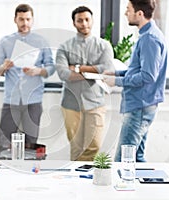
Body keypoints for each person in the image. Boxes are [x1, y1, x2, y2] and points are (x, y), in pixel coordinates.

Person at [103, 0, 167, 162]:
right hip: (142, 104)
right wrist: (115, 73)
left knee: (122, 161)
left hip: (140, 106)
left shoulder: (149, 39)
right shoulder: (147, 35)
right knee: (136, 159)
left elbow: (147, 76)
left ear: (139, 14)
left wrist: (116, 81)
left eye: (128, 10)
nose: (125, 13)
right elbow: (138, 70)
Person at [0, 4, 55, 157]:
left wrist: (38, 71)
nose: (25, 23)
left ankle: (29, 175)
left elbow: (51, 67)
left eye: (28, 19)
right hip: (11, 99)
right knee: (5, 142)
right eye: (21, 19)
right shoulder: (5, 41)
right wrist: (4, 67)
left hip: (33, 99)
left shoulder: (41, 41)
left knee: (32, 143)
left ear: (32, 20)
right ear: (15, 20)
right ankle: (3, 172)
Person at [55, 6, 114, 161]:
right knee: (76, 147)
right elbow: (63, 73)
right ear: (74, 23)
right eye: (79, 20)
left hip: (95, 103)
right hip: (70, 104)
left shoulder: (104, 46)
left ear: (92, 20)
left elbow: (107, 69)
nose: (84, 23)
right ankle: (75, 183)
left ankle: (87, 180)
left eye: (87, 19)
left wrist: (76, 68)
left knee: (94, 146)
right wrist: (93, 72)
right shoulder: (64, 47)